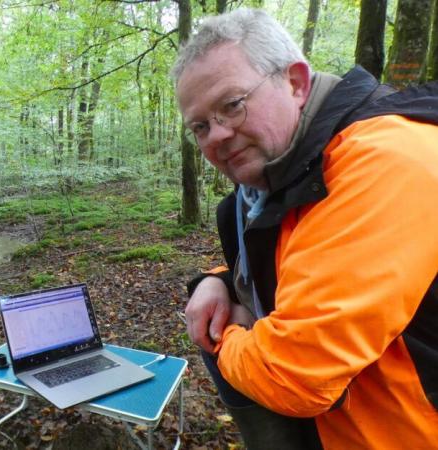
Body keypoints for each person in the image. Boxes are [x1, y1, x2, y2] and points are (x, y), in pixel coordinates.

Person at [172, 8, 438, 449]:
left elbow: (291, 377)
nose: (216, 136)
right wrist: (217, 282)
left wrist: (226, 335)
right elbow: (302, 260)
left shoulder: (383, 162)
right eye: (200, 126)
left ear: (295, 82)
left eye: (232, 106)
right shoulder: (280, 182)